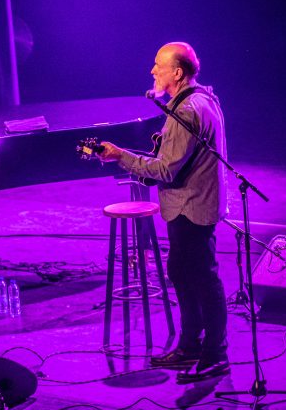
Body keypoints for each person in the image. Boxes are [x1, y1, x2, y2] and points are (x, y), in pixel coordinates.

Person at [98, 42, 230, 382]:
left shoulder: (187, 111)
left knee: (202, 278)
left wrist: (120, 156)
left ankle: (216, 354)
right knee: (183, 274)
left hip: (191, 206)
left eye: (159, 65)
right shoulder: (201, 99)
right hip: (195, 202)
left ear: (178, 72)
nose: (152, 70)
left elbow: (167, 170)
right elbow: (172, 159)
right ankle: (190, 345)